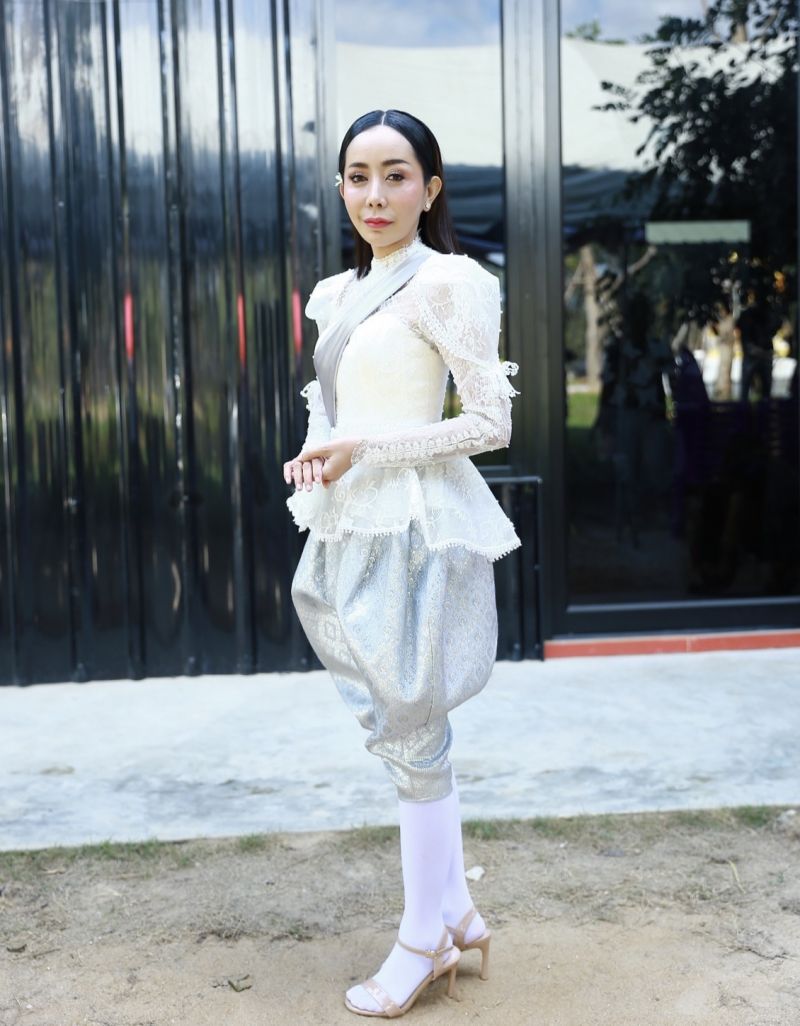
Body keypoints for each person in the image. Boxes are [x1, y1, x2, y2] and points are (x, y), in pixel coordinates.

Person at [282, 109, 520, 1018]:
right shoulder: (336, 293)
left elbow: (490, 423)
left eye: (395, 175)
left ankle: (424, 938)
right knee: (399, 722)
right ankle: (454, 909)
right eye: (358, 176)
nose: (374, 195)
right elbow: (339, 409)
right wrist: (321, 456)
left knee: (414, 724)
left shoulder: (451, 281)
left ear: (431, 187)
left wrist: (367, 450)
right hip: (351, 522)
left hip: (417, 524)